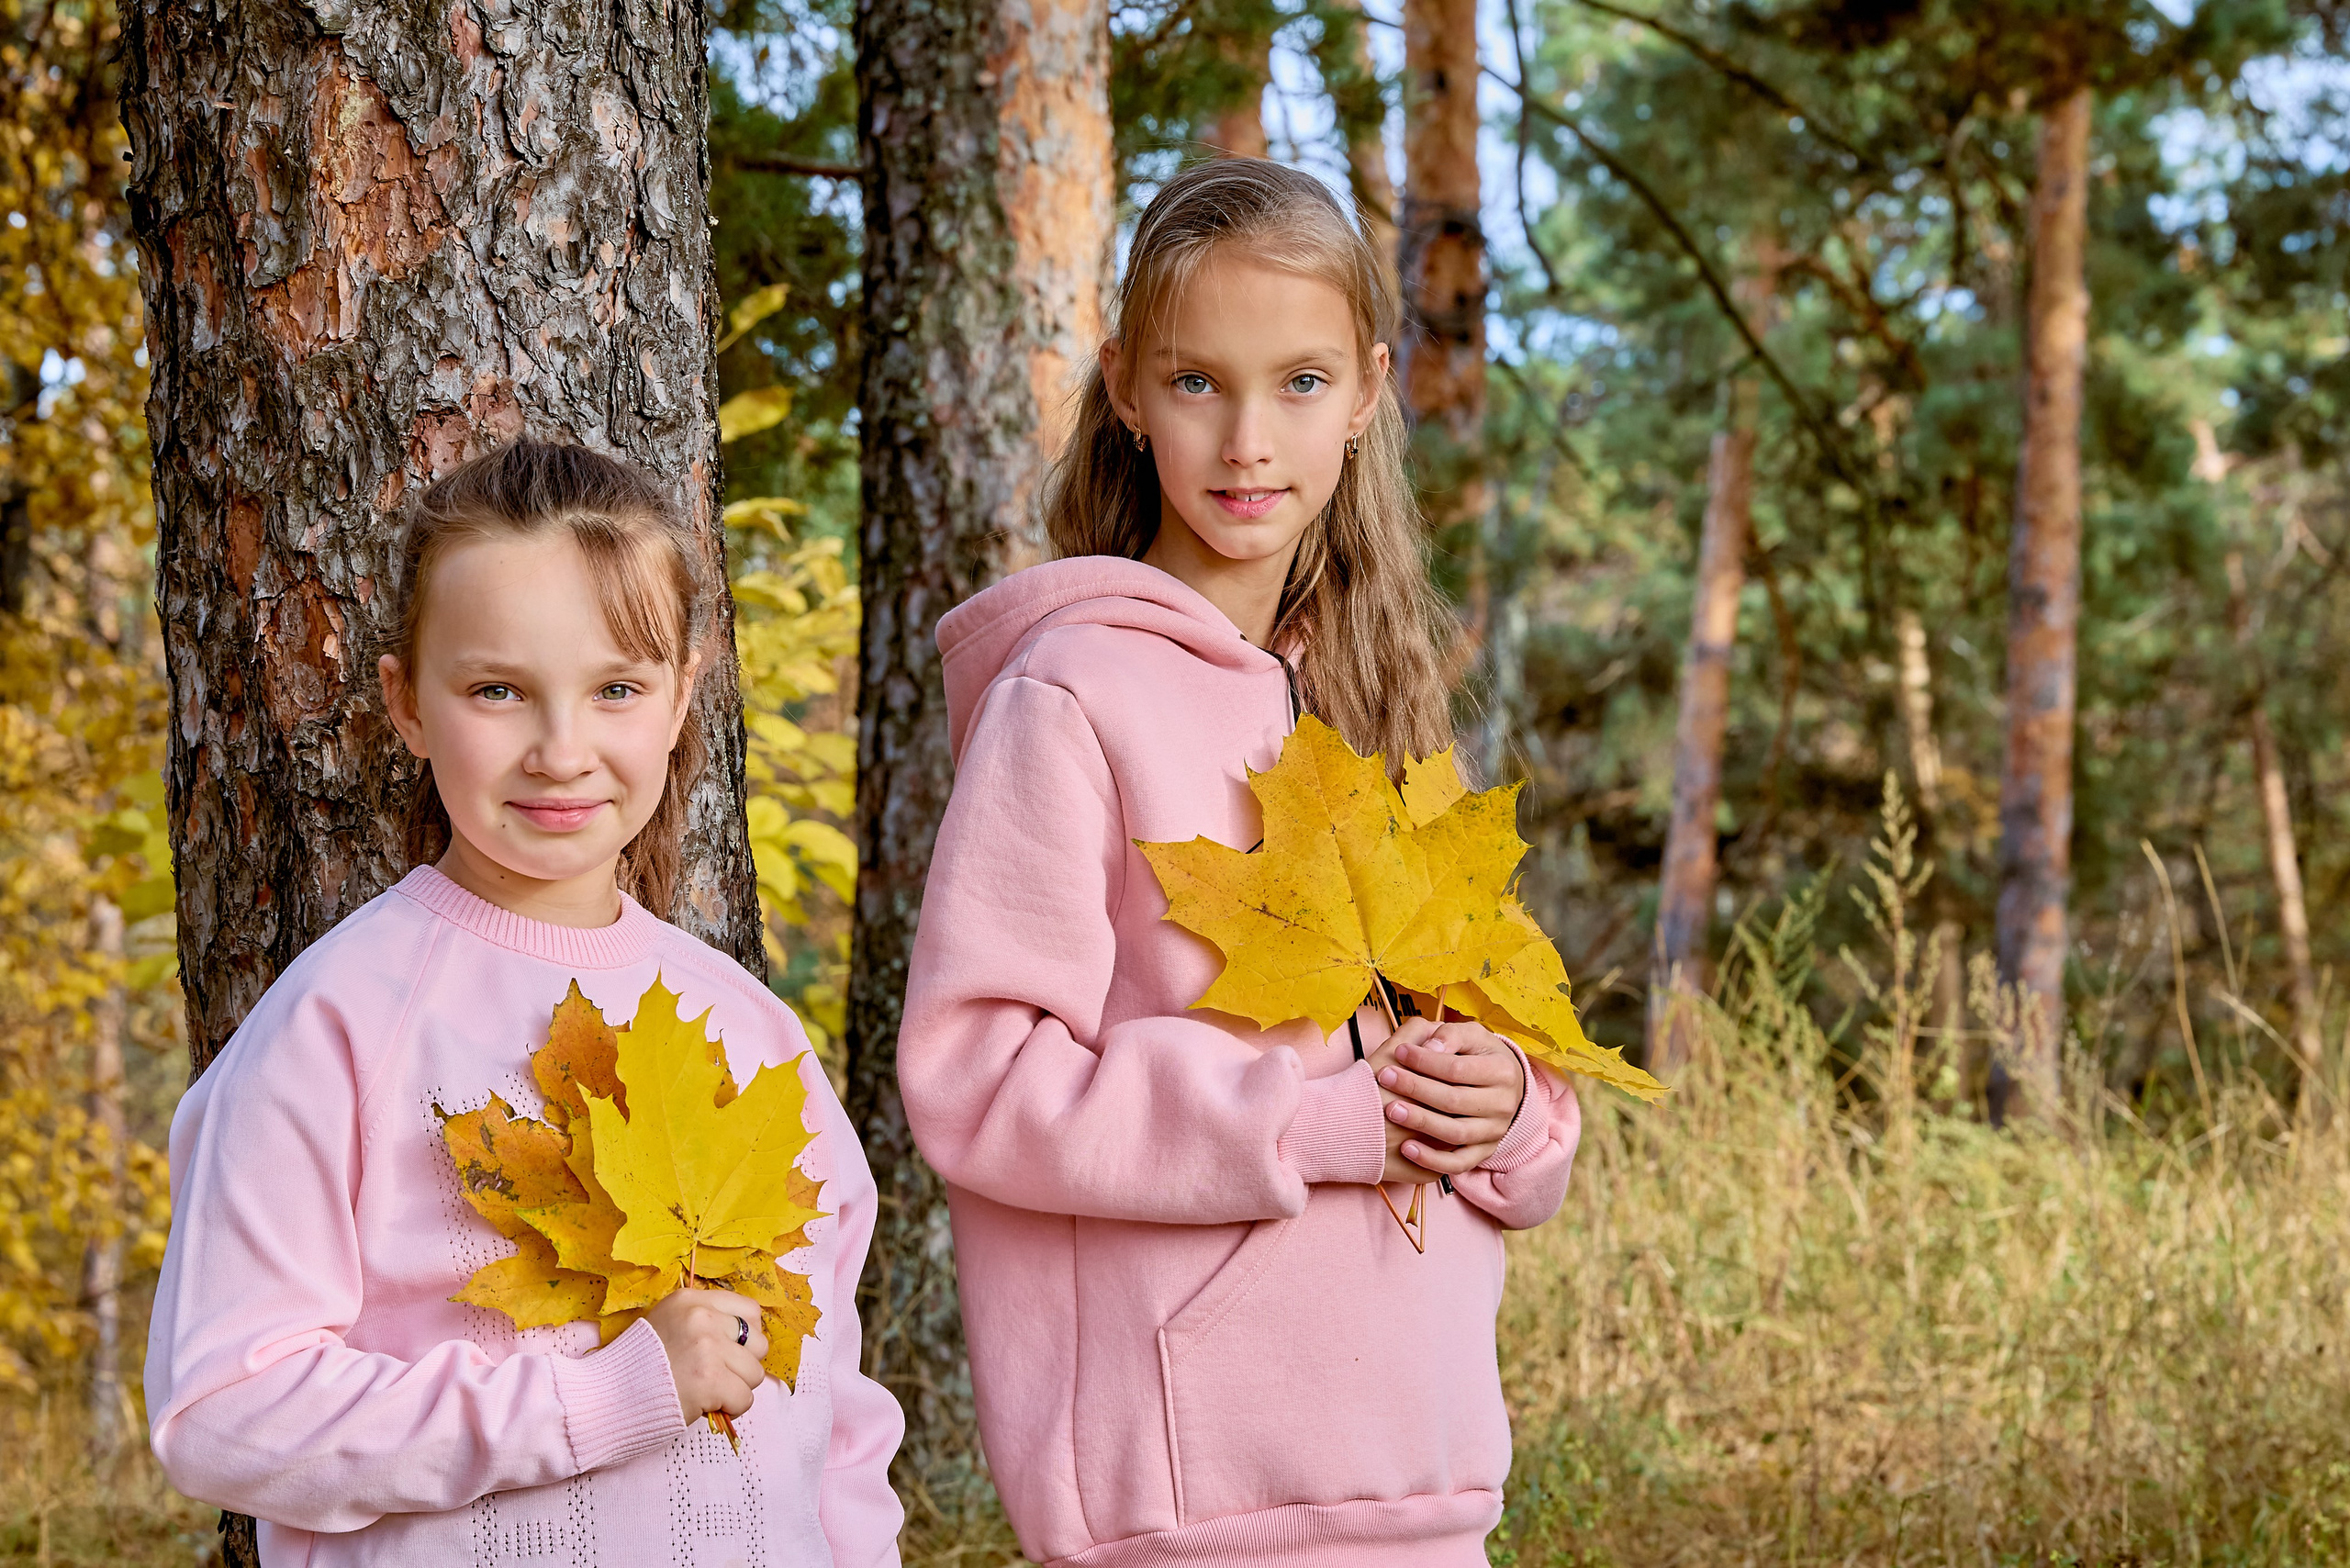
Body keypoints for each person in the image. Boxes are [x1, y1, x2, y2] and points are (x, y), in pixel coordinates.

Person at [899, 158, 1583, 1567]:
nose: (1249, 440)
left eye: (1302, 383)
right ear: (1127, 389)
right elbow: (977, 1081)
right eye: (1199, 382)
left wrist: (1513, 1105)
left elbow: (1508, 1108)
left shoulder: (1377, 705)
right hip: (1194, 1505)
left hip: (1431, 1486)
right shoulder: (1072, 695)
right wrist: (1312, 1128)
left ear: (1370, 389)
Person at [144, 441, 903, 1566]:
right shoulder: (341, 1022)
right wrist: (602, 1398)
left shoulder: (751, 1030)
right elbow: (223, 1413)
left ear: (682, 695)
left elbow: (832, 1421)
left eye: (616, 690)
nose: (560, 751)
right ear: (406, 703)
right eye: (497, 690)